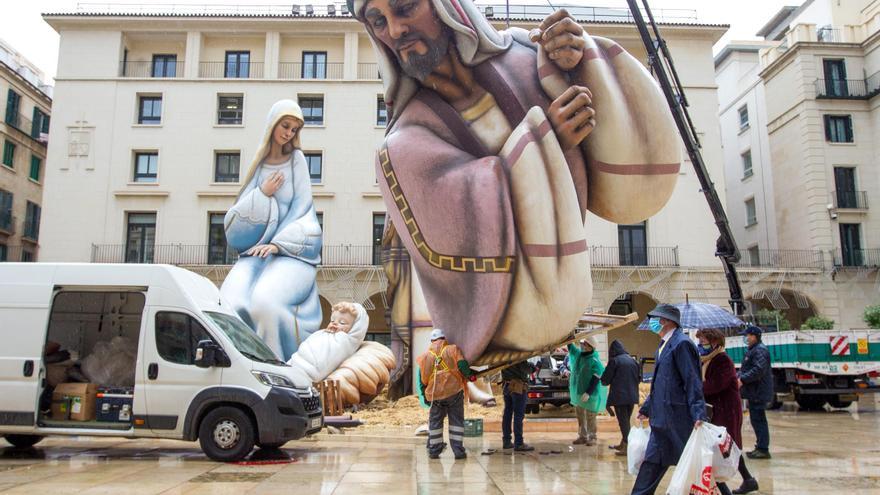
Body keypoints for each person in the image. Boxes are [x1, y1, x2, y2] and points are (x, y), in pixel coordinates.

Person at [348, 0, 683, 393]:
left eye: (405, 8)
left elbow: (625, 173)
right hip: (524, 304)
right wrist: (546, 139)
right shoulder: (403, 143)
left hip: (562, 284)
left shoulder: (525, 54)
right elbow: (453, 212)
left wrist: (578, 57)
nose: (395, 30)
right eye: (378, 21)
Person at [221, 99, 322, 360]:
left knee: (265, 303)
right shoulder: (260, 165)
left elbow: (303, 208)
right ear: (273, 124)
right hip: (255, 254)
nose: (289, 133)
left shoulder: (296, 160)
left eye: (294, 129)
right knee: (229, 303)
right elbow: (237, 217)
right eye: (285, 126)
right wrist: (262, 193)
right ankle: (239, 365)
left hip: (290, 252)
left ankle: (274, 367)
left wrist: (277, 245)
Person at [632, 304, 707, 495]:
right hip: (661, 419)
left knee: (695, 466)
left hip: (677, 419)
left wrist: (699, 412)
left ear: (666, 321)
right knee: (651, 463)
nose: (652, 323)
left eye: (655, 319)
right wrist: (647, 408)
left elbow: (692, 380)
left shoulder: (682, 344)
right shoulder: (663, 345)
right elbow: (660, 384)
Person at [696, 329, 759, 495]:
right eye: (700, 341)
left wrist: (695, 388)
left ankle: (739, 484)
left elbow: (717, 384)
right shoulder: (706, 360)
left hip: (726, 410)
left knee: (725, 447)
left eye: (703, 341)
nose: (700, 344)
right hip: (716, 409)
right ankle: (748, 480)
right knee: (725, 448)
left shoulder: (722, 360)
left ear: (715, 342)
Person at [415, 328, 476, 459]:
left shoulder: (425, 357)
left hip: (435, 396)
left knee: (435, 423)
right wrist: (470, 376)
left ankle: (434, 451)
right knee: (456, 422)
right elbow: (462, 365)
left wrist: (426, 397)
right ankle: (458, 452)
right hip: (454, 392)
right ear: (444, 338)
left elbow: (422, 380)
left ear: (432, 341)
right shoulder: (452, 349)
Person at [738, 325, 773, 460]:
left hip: (759, 391)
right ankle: (760, 447)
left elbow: (758, 370)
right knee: (756, 419)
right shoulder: (753, 350)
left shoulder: (760, 350)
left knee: (759, 420)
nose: (746, 338)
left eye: (747, 335)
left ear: (754, 336)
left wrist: (743, 379)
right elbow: (746, 368)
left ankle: (763, 449)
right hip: (754, 391)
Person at [600, 339, 640, 455]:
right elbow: (639, 378)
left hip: (620, 397)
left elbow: (605, 380)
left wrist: (603, 379)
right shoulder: (633, 361)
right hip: (632, 396)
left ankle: (627, 447)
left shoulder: (615, 361)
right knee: (626, 421)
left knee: (623, 422)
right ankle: (623, 443)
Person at [567, 336, 607, 446]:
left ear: (590, 347)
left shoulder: (595, 361)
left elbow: (596, 377)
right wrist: (568, 338)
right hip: (579, 392)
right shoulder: (580, 355)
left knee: (590, 416)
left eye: (585, 344)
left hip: (591, 394)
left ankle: (592, 437)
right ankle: (582, 436)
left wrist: (589, 392)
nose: (582, 346)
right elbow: (571, 348)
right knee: (580, 415)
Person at [500, 360, 535, 451]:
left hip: (507, 385)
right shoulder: (517, 355)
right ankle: (519, 443)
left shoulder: (503, 354)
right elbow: (526, 369)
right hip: (518, 386)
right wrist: (533, 367)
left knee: (507, 414)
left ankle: (506, 441)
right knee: (518, 415)